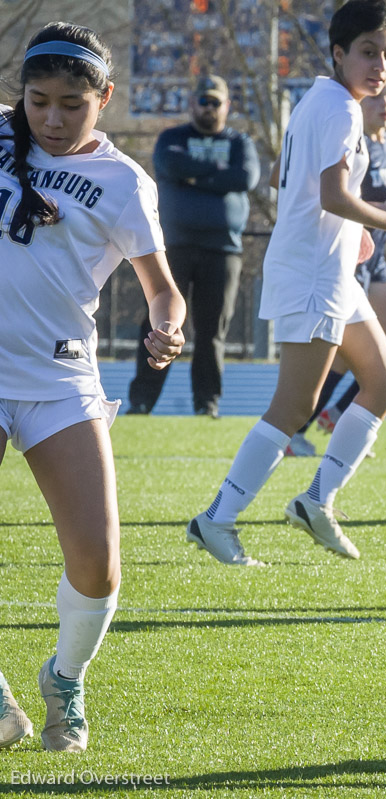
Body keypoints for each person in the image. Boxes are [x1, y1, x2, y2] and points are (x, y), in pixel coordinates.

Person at [186, 0, 386, 566]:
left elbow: (286, 179)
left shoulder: (319, 100)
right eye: (369, 52)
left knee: (385, 385)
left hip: (331, 271)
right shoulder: (343, 111)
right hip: (314, 277)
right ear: (340, 53)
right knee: (293, 407)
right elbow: (331, 195)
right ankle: (216, 520)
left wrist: (352, 237)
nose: (380, 65)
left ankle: (316, 502)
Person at [0, 23, 186, 750]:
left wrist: (166, 329)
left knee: (98, 564)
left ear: (103, 99)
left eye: (71, 103)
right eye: (38, 100)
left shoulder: (124, 183)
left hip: (59, 377)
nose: (51, 117)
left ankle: (65, 679)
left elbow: (163, 291)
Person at [287, 76, 386, 457]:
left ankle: (340, 416)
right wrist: (382, 214)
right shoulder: (351, 138)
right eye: (378, 96)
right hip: (345, 259)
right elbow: (328, 193)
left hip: (375, 258)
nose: (385, 102)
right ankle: (294, 428)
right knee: (334, 357)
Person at [127, 74, 260, 418]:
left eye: (216, 102)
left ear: (227, 106)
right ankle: (141, 402)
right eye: (203, 101)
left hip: (223, 249)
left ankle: (207, 404)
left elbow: (244, 178)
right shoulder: (172, 138)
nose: (209, 108)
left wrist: (193, 176)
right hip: (175, 246)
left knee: (212, 330)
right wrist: (218, 175)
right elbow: (171, 165)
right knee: (160, 325)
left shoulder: (239, 142)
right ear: (192, 104)